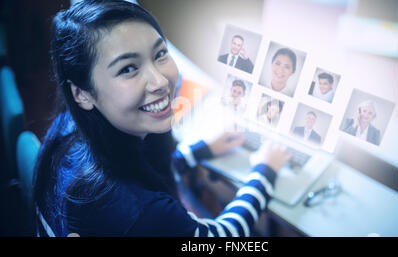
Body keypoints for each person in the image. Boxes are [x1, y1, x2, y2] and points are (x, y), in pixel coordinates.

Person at [33, 0, 291, 237]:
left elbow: (135, 170)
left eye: (159, 54)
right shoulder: (139, 211)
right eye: (128, 69)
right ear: (81, 93)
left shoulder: (69, 124)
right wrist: (263, 172)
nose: (160, 81)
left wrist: (196, 152)